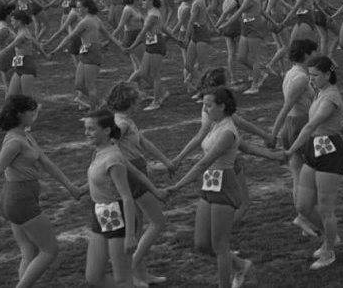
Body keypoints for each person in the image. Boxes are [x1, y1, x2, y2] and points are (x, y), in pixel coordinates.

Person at [0, 95, 81, 288]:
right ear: (20, 114)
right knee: (50, 250)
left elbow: (46, 162)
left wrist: (70, 187)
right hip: (20, 200)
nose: (34, 115)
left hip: (17, 198)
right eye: (31, 112)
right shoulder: (14, 142)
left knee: (29, 252)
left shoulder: (25, 135)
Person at [167, 87, 263, 287]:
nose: (204, 109)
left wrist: (178, 185)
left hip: (224, 184)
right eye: (204, 105)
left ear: (222, 106)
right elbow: (241, 147)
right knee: (202, 244)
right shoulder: (214, 124)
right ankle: (240, 265)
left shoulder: (227, 131)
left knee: (220, 246)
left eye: (208, 105)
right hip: (210, 183)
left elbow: (204, 163)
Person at [284, 56, 343, 269]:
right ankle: (331, 237)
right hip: (314, 149)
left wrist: (290, 150)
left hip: (330, 153)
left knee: (325, 209)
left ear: (328, 75)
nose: (311, 79)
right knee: (303, 206)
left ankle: (328, 251)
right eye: (309, 75)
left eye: (315, 75)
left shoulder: (330, 97)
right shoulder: (321, 92)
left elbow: (311, 126)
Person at [105, 82, 174, 287]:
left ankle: (141, 275)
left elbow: (144, 142)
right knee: (158, 222)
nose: (139, 104)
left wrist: (166, 161)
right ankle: (130, 269)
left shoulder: (126, 121)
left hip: (135, 171)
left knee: (136, 227)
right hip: (132, 174)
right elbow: (110, 145)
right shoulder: (122, 123)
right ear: (128, 102)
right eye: (136, 101)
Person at [80, 109, 138, 288]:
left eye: (91, 129)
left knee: (122, 279)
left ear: (106, 130)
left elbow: (127, 197)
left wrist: (130, 236)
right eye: (86, 128)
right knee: (93, 277)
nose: (86, 133)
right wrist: (79, 190)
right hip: (100, 214)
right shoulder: (98, 152)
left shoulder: (113, 158)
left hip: (117, 216)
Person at [269, 38, 318, 236]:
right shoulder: (302, 78)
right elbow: (286, 106)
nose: (317, 55)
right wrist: (272, 133)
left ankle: (304, 218)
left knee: (297, 176)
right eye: (314, 52)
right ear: (306, 54)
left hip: (291, 126)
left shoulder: (291, 73)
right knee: (309, 176)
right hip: (301, 125)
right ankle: (306, 217)